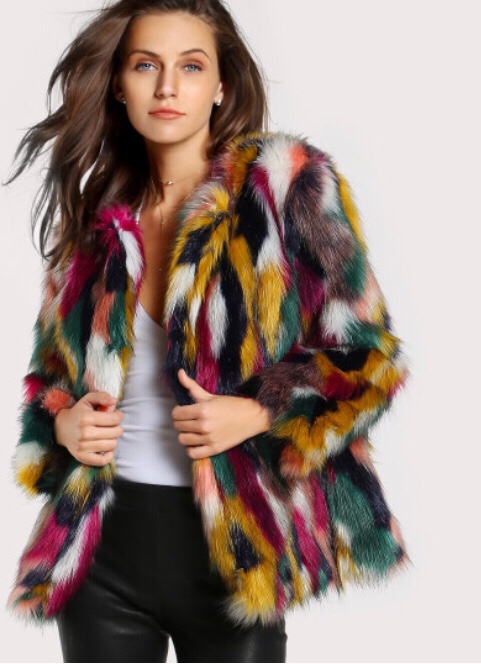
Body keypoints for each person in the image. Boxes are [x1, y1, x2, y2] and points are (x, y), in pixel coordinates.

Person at [5, 0, 411, 662]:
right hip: (102, 552)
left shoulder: (285, 190)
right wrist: (63, 424)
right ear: (118, 84)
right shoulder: (97, 224)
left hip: (239, 550)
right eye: (146, 65)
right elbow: (47, 383)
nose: (168, 87)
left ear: (221, 85)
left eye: (191, 67)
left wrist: (258, 410)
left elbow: (371, 359)